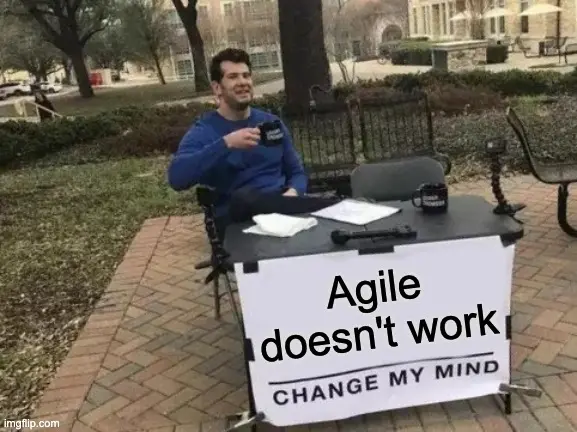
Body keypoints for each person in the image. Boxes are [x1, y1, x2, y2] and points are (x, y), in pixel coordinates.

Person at [167, 48, 336, 240]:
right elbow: (177, 178)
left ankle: (336, 207)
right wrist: (226, 143)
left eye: (246, 75)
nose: (242, 82)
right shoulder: (204, 131)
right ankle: (331, 205)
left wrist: (293, 193)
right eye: (233, 77)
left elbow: (296, 172)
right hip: (238, 223)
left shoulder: (272, 124)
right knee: (244, 198)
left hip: (284, 214)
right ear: (217, 88)